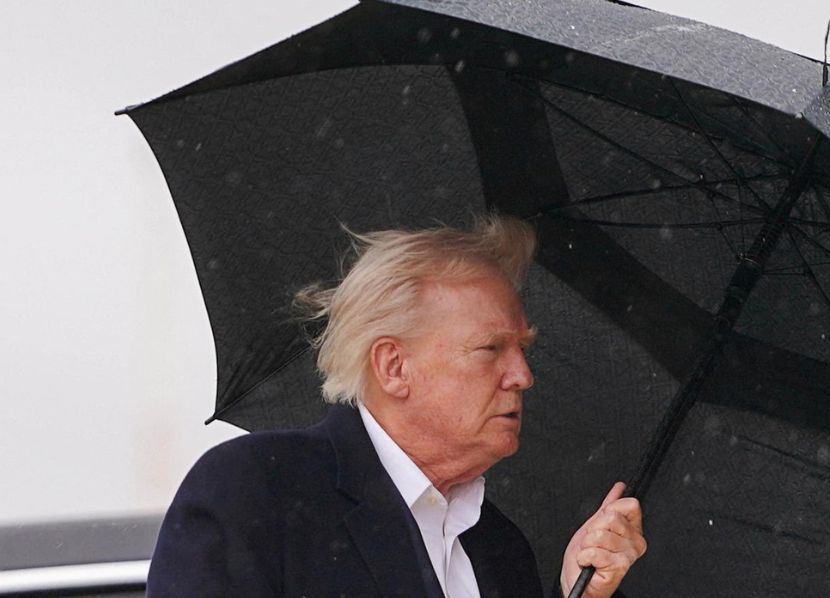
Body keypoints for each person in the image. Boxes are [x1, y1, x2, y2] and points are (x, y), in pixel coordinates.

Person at [147, 215, 646, 597]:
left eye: (524, 350)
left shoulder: (499, 547)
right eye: (491, 349)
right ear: (394, 367)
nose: (522, 375)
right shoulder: (256, 491)